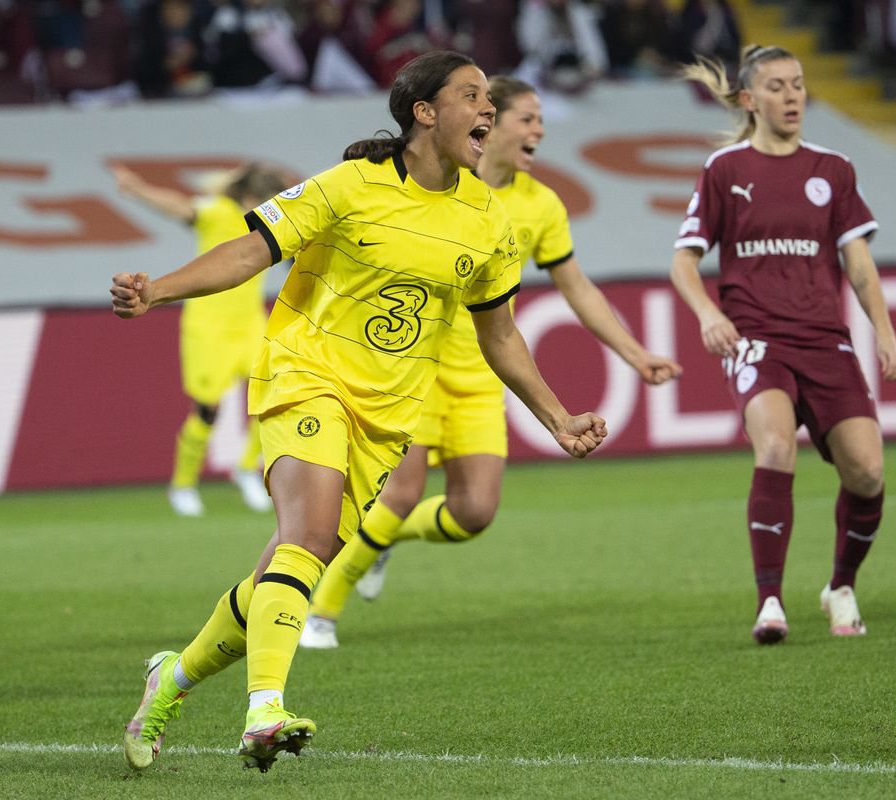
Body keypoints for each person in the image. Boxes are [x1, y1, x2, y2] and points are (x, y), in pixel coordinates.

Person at [112, 50, 607, 773]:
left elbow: (497, 332)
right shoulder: (350, 185)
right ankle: (264, 712)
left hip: (386, 415)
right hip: (305, 376)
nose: (488, 110)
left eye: (488, 98)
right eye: (471, 96)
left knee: (284, 573)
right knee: (309, 535)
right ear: (424, 113)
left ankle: (173, 679)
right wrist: (159, 289)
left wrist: (555, 416)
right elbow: (254, 249)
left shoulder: (488, 221)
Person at [298, 75, 683, 650]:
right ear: (491, 125)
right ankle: (321, 611)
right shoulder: (442, 185)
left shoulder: (539, 204)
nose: (539, 130)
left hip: (480, 377)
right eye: (526, 118)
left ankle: (388, 541)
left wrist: (635, 354)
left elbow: (576, 288)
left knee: (474, 513)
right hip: (414, 368)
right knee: (398, 495)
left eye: (539, 120)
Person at [670, 45, 896, 646]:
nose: (793, 95)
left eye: (798, 84)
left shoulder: (833, 170)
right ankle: (769, 601)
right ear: (750, 100)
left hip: (826, 340)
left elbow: (859, 266)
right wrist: (707, 314)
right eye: (776, 86)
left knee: (868, 471)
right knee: (775, 445)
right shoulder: (725, 169)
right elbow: (683, 260)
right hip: (758, 338)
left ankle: (840, 585)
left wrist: (885, 334)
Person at [113, 160, 295, 517]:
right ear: (250, 197)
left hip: (249, 324)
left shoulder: (268, 222)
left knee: (273, 395)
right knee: (208, 410)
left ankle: (246, 468)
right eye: (265, 201)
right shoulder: (218, 211)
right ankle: (182, 485)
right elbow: (179, 206)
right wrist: (136, 189)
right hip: (208, 327)